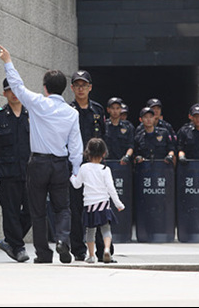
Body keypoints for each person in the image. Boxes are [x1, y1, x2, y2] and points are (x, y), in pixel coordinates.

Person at [0, 45, 83, 264]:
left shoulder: (37, 103)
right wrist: (75, 170)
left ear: (45, 88)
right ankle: (63, 240)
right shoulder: (72, 113)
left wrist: (8, 61)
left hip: (38, 163)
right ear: (64, 89)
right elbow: (76, 145)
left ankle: (44, 253)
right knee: (63, 207)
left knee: (37, 210)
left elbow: (17, 86)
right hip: (60, 164)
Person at [69, 70, 114, 262]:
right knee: (76, 208)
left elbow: (102, 136)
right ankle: (79, 250)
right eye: (77, 85)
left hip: (96, 167)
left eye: (84, 85)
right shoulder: (68, 109)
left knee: (100, 207)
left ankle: (105, 250)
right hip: (77, 167)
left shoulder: (97, 110)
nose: (81, 88)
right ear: (72, 88)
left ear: (90, 88)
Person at [0, 78, 32, 263]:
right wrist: (4, 160)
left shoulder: (32, 114)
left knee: (32, 210)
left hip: (29, 171)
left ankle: (10, 241)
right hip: (8, 172)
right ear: (4, 93)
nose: (13, 93)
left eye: (16, 89)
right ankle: (18, 247)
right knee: (10, 211)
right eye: (9, 90)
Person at [70, 138, 125, 263]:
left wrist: (72, 177)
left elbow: (77, 185)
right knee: (106, 229)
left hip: (90, 205)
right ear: (104, 153)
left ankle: (91, 255)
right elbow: (111, 188)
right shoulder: (105, 170)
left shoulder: (84, 168)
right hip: (104, 204)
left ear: (87, 153)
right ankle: (106, 249)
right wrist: (118, 204)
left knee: (90, 231)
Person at [104, 97, 135, 164]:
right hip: (106, 163)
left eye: (117, 108)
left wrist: (127, 156)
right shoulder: (103, 126)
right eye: (113, 108)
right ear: (108, 110)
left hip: (123, 163)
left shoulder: (128, 127)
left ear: (121, 110)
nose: (115, 111)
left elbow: (131, 145)